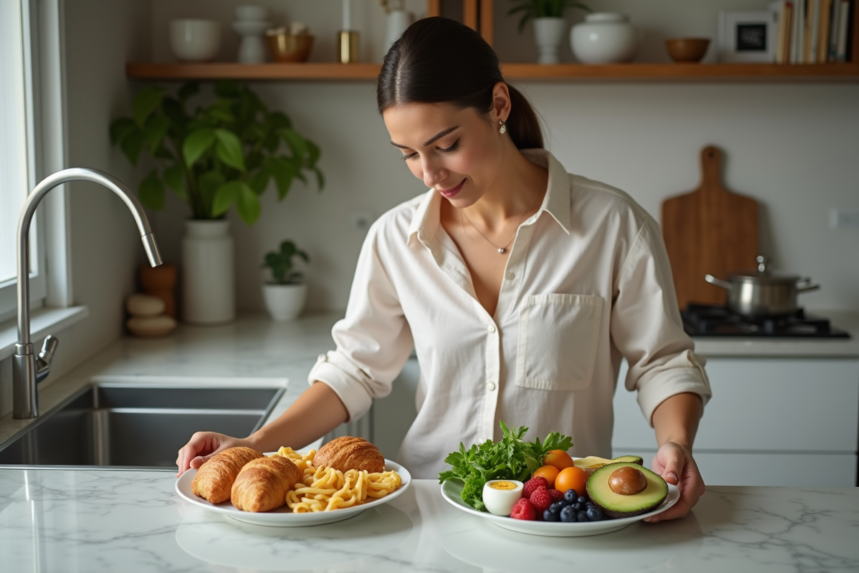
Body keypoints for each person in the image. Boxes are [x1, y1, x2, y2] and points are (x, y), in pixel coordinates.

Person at [176, 17, 710, 522]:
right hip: (430, 507)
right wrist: (252, 443)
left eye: (446, 145)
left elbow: (663, 361)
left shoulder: (615, 225)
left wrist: (676, 444)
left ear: (498, 105)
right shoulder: (395, 239)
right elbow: (355, 371)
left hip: (563, 512)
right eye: (407, 154)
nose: (429, 173)